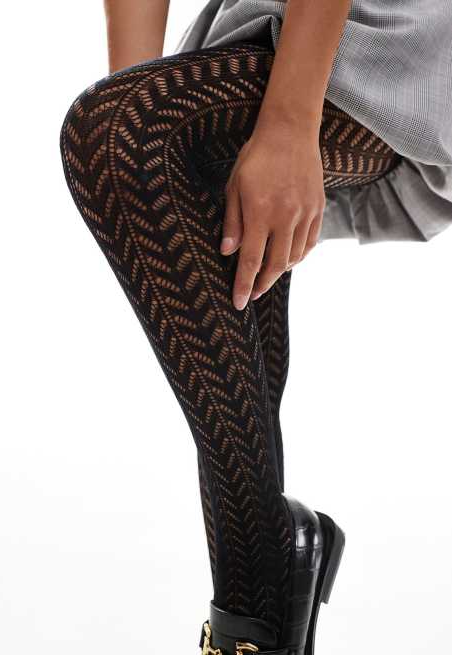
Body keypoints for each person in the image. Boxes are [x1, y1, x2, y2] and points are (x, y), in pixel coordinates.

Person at [59, 1, 452, 653]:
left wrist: (290, 122)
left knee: (121, 132)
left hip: (386, 26)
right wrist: (135, 129)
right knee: (141, 144)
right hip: (263, 18)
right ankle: (256, 607)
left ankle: (258, 599)